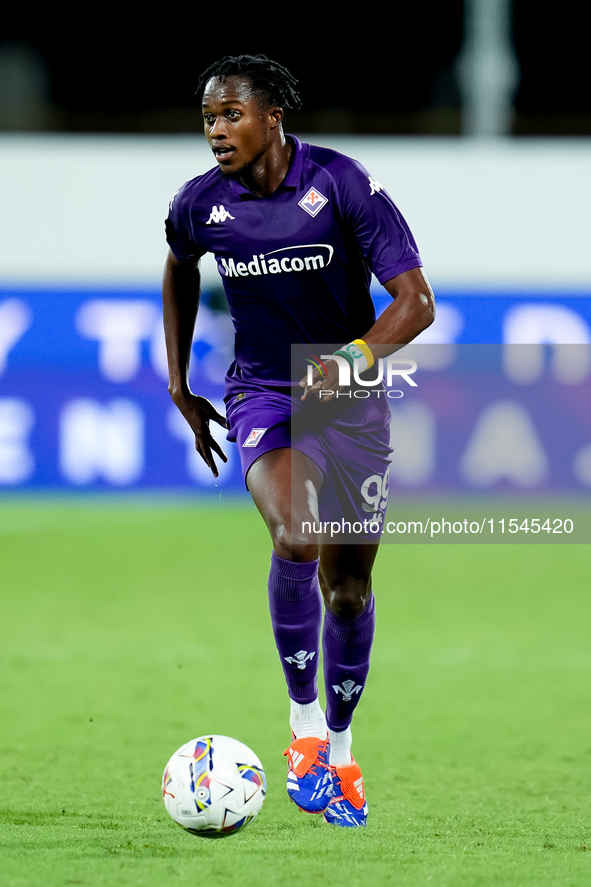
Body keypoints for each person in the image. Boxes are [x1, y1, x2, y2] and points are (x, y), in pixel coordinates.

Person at [162, 54, 435, 828]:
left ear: (271, 115)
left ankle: (342, 753)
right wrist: (180, 382)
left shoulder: (340, 182)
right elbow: (179, 267)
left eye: (231, 115)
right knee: (295, 532)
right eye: (209, 118)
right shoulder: (200, 205)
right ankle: (303, 729)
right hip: (263, 390)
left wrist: (350, 361)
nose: (217, 130)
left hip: (348, 400)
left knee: (348, 591)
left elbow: (415, 304)